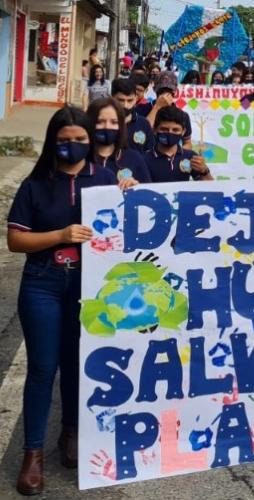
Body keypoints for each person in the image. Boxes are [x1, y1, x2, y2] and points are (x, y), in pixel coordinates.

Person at [6, 107, 132, 495]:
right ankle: (33, 454)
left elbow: (126, 230)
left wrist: (129, 194)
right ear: (52, 142)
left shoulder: (107, 179)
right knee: (43, 368)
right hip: (42, 284)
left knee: (78, 365)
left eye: (80, 139)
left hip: (89, 287)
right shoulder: (35, 184)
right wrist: (59, 235)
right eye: (64, 141)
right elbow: (16, 240)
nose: (73, 147)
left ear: (90, 140)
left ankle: (71, 435)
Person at [87, 97, 151, 183]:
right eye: (100, 122)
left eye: (114, 122)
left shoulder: (134, 158)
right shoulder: (82, 160)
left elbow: (147, 193)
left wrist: (135, 188)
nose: (107, 126)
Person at [145, 106, 213, 182]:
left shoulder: (191, 157)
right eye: (164, 129)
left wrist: (204, 171)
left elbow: (209, 188)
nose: (170, 133)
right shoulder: (144, 159)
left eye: (175, 130)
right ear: (155, 129)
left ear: (183, 132)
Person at [147, 71, 193, 150]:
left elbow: (188, 143)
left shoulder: (183, 115)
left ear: (175, 91)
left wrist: (175, 152)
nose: (165, 96)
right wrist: (157, 107)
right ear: (154, 89)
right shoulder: (142, 109)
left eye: (169, 91)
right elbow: (144, 131)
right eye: (162, 91)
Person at [111, 78, 154, 154]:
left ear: (135, 99)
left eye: (130, 100)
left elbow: (149, 153)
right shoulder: (104, 123)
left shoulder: (144, 124)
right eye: (121, 100)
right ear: (112, 98)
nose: (125, 105)